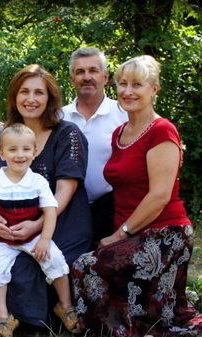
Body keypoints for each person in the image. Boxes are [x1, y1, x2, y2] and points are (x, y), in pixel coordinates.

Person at [71, 55, 202, 337]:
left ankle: (128, 327)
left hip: (166, 233)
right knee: (87, 263)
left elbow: (160, 196)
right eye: (123, 84)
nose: (128, 91)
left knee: (85, 266)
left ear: (154, 89)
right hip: (132, 233)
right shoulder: (119, 133)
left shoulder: (162, 130)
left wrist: (118, 235)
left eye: (137, 84)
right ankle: (141, 313)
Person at [0, 64, 91, 329]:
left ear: (50, 98)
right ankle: (10, 317)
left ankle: (59, 310)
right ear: (15, 97)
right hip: (16, 226)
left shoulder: (68, 134)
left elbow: (65, 190)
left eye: (39, 93)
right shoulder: (9, 137)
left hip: (63, 226)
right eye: (24, 92)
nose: (31, 99)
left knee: (39, 264)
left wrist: (39, 226)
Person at [0, 124, 82, 337]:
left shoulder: (38, 182)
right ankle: (4, 319)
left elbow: (50, 211)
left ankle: (65, 305)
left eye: (26, 149)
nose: (20, 155)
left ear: (34, 152)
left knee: (54, 259)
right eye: (12, 150)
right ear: (1, 154)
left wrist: (44, 239)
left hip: (33, 237)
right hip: (3, 239)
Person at [61, 47, 128, 244]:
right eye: (80, 72)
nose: (86, 77)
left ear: (105, 77)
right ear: (72, 79)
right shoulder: (59, 117)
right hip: (68, 210)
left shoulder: (124, 115)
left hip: (111, 207)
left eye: (93, 71)